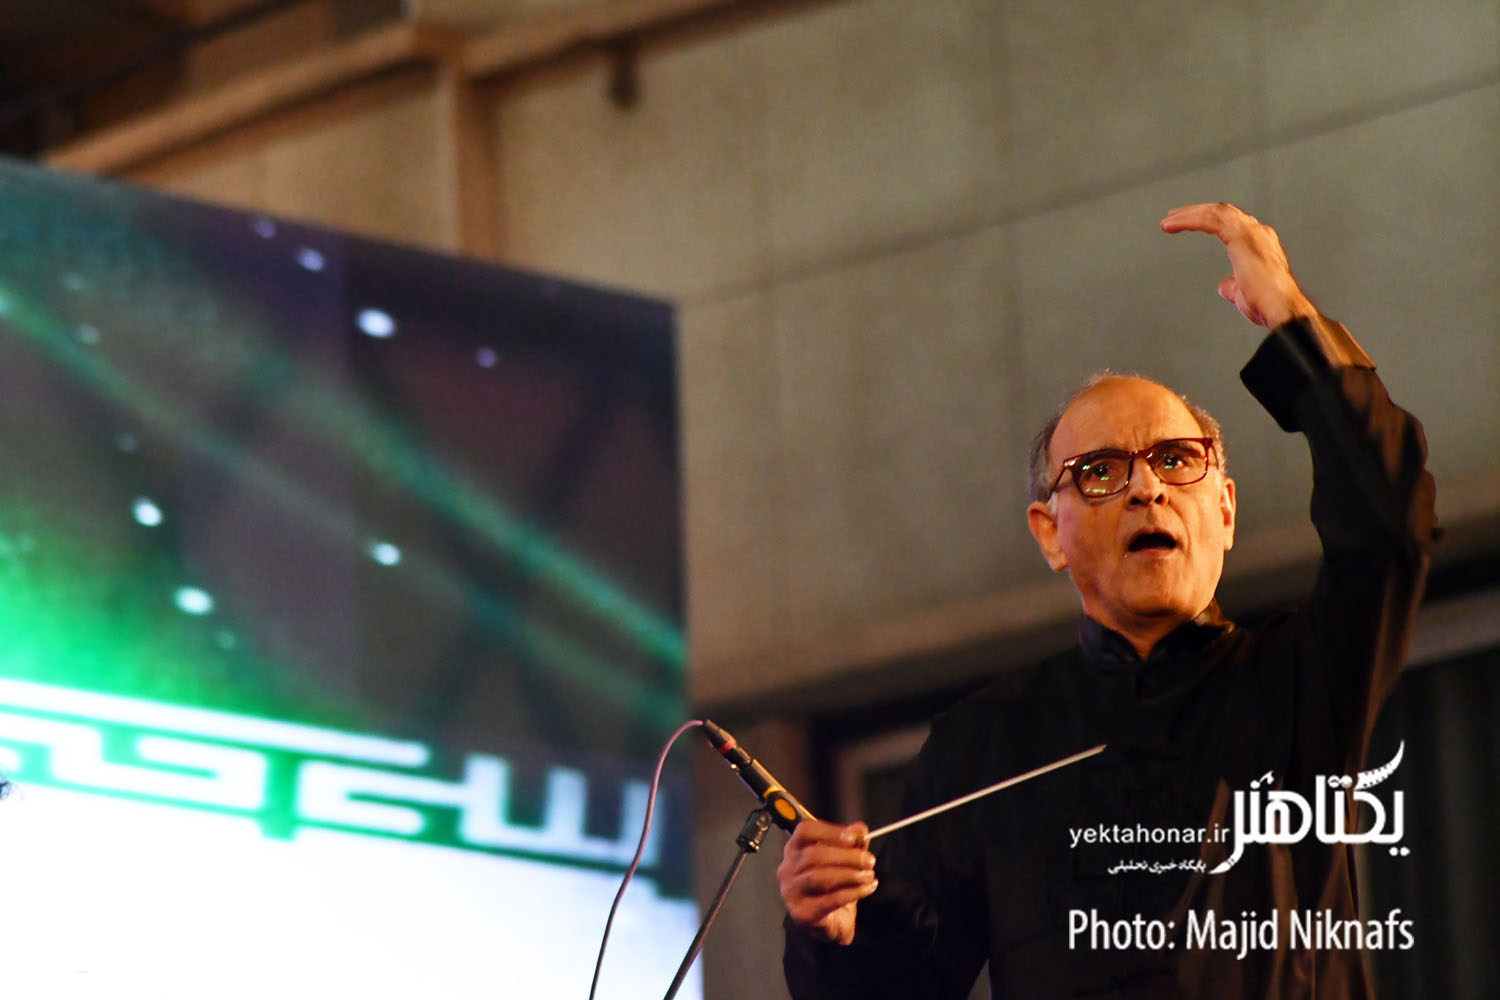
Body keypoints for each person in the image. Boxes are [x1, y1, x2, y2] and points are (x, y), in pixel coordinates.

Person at [779, 203, 1439, 998]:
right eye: (1100, 472)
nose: (1146, 488)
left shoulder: (1302, 681)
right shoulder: (983, 746)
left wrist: (1293, 321)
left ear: (1225, 511)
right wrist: (833, 933)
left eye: (1177, 459)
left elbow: (1388, 525)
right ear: (1049, 534)